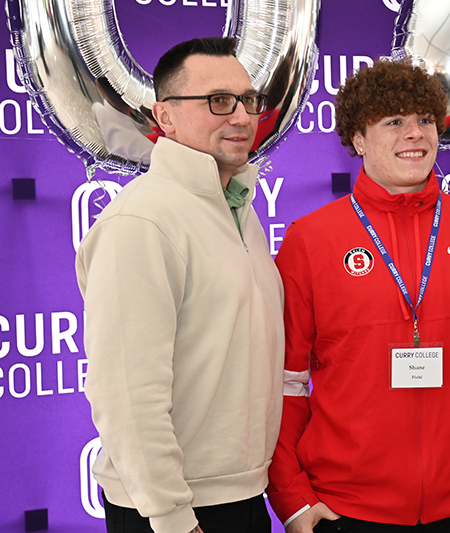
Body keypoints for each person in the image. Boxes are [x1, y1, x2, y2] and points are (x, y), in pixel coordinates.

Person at [267, 59, 450, 533]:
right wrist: (291, 497)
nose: (415, 133)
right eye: (394, 121)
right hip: (345, 509)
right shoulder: (311, 240)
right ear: (358, 139)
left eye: (425, 120)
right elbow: (285, 383)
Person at [75, 37, 285, 533]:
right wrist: (171, 517)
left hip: (241, 496)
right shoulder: (142, 220)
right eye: (217, 101)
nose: (240, 117)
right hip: (173, 512)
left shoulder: (235, 207)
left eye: (248, 101)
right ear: (165, 117)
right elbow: (127, 394)